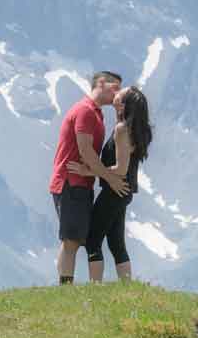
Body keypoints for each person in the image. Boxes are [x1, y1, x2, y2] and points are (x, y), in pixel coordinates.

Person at [48, 71, 130, 284]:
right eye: (115, 87)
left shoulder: (96, 113)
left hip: (82, 183)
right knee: (72, 240)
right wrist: (110, 178)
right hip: (70, 181)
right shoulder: (85, 111)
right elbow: (85, 150)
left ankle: (65, 285)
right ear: (100, 83)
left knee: (73, 238)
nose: (118, 93)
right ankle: (65, 289)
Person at [86, 84, 153, 282]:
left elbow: (121, 168)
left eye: (120, 94)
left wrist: (90, 170)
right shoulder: (133, 128)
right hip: (123, 191)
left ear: (124, 105)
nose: (116, 92)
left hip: (114, 190)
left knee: (92, 240)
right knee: (116, 243)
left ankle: (95, 287)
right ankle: (126, 286)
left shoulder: (122, 130)